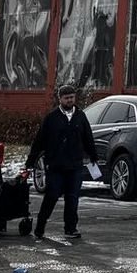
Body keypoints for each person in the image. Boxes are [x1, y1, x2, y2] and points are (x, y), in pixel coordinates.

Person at [25, 83, 99, 240]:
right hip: (56, 166)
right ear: (60, 99)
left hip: (75, 166)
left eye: (72, 97)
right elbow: (39, 141)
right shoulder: (51, 118)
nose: (70, 101)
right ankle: (40, 226)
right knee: (51, 196)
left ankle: (70, 229)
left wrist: (93, 156)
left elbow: (88, 138)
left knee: (72, 198)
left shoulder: (80, 116)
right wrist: (30, 163)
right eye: (66, 98)